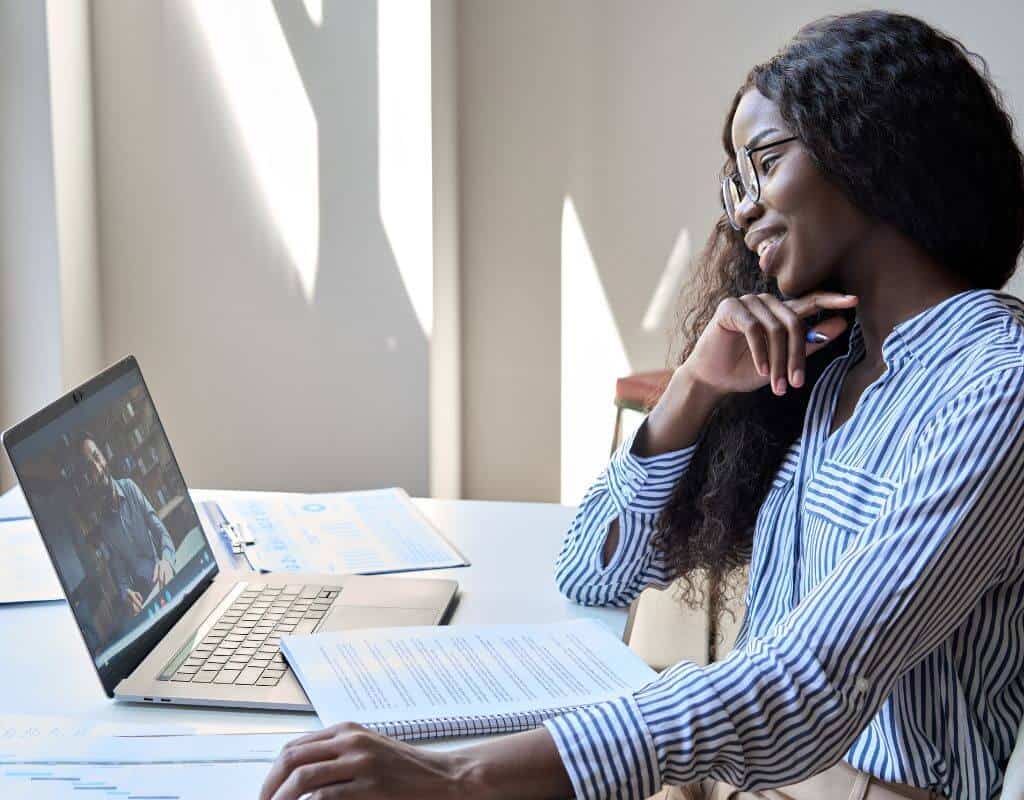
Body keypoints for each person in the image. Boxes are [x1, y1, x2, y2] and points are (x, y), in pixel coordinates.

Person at [259, 11, 1024, 800]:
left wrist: (464, 776)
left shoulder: (998, 388)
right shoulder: (829, 371)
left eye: (765, 161)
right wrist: (694, 386)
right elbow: (595, 571)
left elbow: (812, 682)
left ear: (874, 149)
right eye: (738, 181)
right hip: (737, 779)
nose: (743, 209)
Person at [78, 432, 176, 616]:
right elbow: (120, 572)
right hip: (148, 596)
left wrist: (167, 561)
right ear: (88, 478)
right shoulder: (105, 526)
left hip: (166, 574)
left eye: (97, 458)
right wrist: (126, 593)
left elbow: (159, 529)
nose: (98, 470)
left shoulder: (129, 487)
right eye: (91, 468)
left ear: (104, 457)